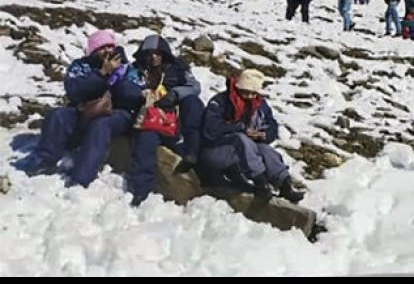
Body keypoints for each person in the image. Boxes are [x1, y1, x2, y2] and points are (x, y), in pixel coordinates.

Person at [22, 30, 156, 204]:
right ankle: (43, 160)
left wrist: (117, 78)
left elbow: (134, 95)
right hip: (83, 110)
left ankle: (80, 178)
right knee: (57, 116)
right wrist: (101, 74)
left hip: (117, 113)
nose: (108, 51)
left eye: (110, 46)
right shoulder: (80, 66)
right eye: (102, 47)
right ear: (93, 50)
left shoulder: (128, 69)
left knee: (101, 125)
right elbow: (74, 90)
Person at [198, 68, 303, 203]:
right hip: (214, 152)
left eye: (253, 94)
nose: (249, 97)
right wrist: (240, 129)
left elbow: (272, 125)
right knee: (240, 139)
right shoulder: (220, 102)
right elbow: (210, 130)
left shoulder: (260, 105)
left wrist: (263, 135)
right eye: (245, 93)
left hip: (240, 155)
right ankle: (260, 182)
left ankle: (284, 184)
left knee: (265, 150)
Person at [132, 33, 204, 171]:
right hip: (147, 114)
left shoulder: (178, 68)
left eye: (158, 53)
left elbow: (195, 87)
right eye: (149, 53)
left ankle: (192, 150)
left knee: (192, 102)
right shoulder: (136, 69)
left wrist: (175, 94)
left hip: (175, 113)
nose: (154, 57)